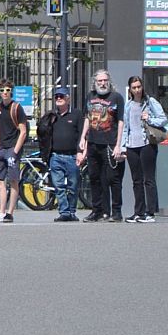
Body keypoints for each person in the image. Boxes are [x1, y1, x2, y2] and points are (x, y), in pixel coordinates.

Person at [78, 69, 126, 222]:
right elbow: (87, 118)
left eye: (105, 80)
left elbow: (121, 122)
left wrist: (118, 144)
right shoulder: (90, 96)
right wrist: (83, 137)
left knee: (113, 179)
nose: (103, 83)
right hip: (93, 143)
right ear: (95, 82)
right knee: (94, 177)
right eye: (100, 81)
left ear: (109, 81)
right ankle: (98, 211)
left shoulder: (116, 97)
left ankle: (116, 212)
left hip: (109, 143)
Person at [124, 76, 168, 223]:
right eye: (134, 87)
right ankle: (139, 212)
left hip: (147, 143)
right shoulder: (128, 105)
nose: (137, 90)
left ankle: (150, 212)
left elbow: (163, 119)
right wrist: (123, 145)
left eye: (139, 87)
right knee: (136, 180)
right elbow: (125, 127)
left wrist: (149, 118)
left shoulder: (150, 102)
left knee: (148, 179)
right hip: (132, 145)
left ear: (142, 87)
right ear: (130, 89)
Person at [0, 80, 27, 223]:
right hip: (1, 147)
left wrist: (15, 151)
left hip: (12, 147)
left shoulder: (17, 108)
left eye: (7, 90)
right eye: (2, 90)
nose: (5, 92)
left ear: (11, 91)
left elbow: (23, 131)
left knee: (13, 180)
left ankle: (9, 212)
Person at [43, 87, 85, 222]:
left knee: (73, 186)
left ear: (68, 98)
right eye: (56, 97)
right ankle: (64, 212)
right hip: (55, 156)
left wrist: (81, 152)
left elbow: (83, 135)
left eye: (61, 96)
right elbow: (43, 132)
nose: (58, 99)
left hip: (72, 156)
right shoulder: (52, 116)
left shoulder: (77, 114)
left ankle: (72, 212)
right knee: (59, 186)